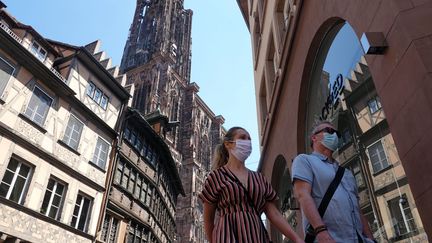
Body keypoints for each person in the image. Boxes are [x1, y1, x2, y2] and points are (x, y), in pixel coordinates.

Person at [199, 126, 304, 243]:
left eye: (249, 139)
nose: (247, 142)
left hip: (256, 235)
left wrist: (296, 238)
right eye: (242, 138)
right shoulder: (216, 177)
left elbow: (274, 213)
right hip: (227, 236)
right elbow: (208, 219)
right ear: (228, 144)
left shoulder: (259, 178)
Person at [292, 121, 376, 243]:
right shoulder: (304, 160)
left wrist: (370, 238)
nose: (335, 135)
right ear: (314, 137)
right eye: (329, 131)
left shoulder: (346, 173)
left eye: (337, 133)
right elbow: (303, 196)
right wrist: (321, 233)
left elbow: (357, 209)